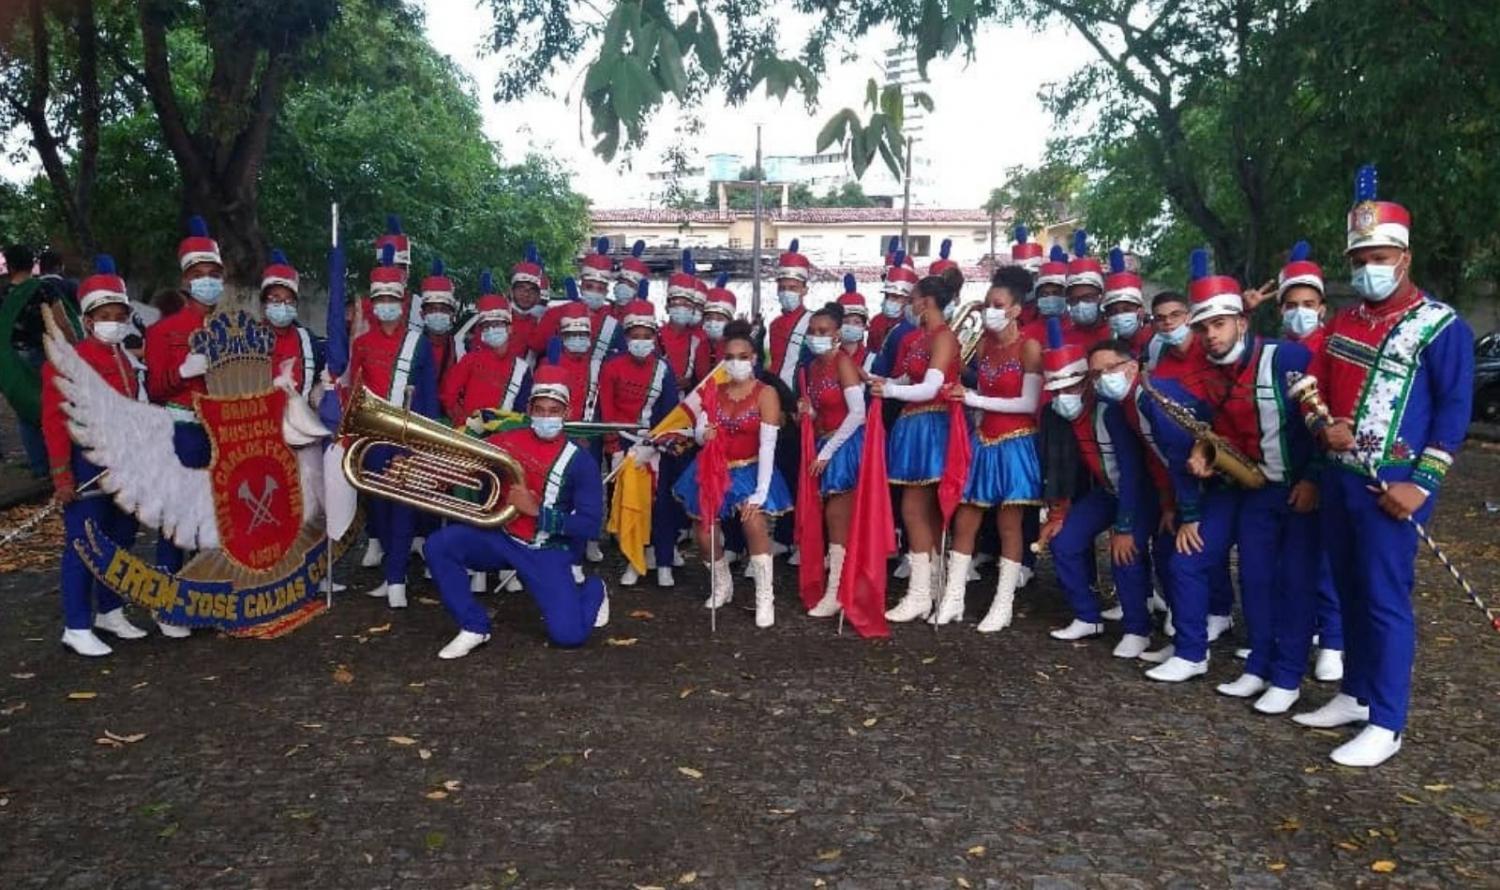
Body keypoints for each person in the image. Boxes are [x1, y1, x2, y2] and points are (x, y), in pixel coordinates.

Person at [1292, 165, 1473, 768]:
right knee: (1346, 589)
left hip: (1394, 486)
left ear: (1404, 257)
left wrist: (1421, 485)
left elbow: (1453, 412)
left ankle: (1388, 721)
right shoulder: (1344, 321)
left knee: (1384, 597)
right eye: (1359, 255)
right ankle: (1356, 693)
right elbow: (1309, 385)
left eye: (1380, 254)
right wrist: (1323, 425)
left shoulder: (1441, 326)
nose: (1368, 265)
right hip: (1342, 477)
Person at [1152, 252, 1320, 696]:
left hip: (1298, 487)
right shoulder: (1203, 375)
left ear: (1241, 322)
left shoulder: (1286, 357)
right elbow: (1212, 430)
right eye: (1203, 327)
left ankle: (1286, 677)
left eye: (1219, 324)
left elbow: (1325, 421)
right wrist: (1203, 453)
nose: (1211, 335)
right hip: (1247, 489)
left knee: (1295, 581)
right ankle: (1254, 665)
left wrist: (1313, 479)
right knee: (1255, 577)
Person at [423, 365, 608, 659]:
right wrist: (434, 475)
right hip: (502, 538)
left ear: (567, 412)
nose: (546, 417)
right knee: (439, 545)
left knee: (569, 637)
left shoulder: (581, 461)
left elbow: (589, 525)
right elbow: (468, 467)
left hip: (546, 549)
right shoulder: (507, 440)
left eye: (554, 410)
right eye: (540, 409)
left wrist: (538, 511)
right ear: (529, 409)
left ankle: (594, 589)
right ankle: (474, 625)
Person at [41, 256, 154, 656]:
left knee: (119, 541)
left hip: (124, 468)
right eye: (105, 315)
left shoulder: (127, 360)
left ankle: (110, 609)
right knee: (82, 544)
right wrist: (61, 476)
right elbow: (55, 423)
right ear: (89, 321)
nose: (114, 322)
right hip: (86, 466)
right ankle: (76, 624)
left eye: (119, 315)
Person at [932, 268, 1042, 631]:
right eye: (986, 304)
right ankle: (953, 598)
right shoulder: (983, 345)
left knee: (1009, 525)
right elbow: (979, 395)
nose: (989, 311)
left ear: (1014, 309)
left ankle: (1003, 603)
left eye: (997, 305)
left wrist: (976, 398)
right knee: (966, 519)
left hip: (1015, 442)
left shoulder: (1029, 347)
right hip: (984, 439)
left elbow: (1028, 403)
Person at [1036, 339, 1159, 650]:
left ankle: (1137, 630)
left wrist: (1125, 525)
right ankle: (1087, 616)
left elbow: (1132, 472)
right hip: (1105, 492)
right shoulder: (1055, 416)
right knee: (1065, 541)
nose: (1064, 397)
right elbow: (1058, 469)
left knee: (1125, 552)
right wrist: (1058, 512)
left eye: (1072, 388)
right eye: (1057, 391)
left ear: (1087, 384)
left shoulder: (1111, 413)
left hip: (1140, 493)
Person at [671, 320, 792, 627]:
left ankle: (765, 597)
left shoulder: (766, 394)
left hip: (750, 467)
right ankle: (722, 583)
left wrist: (761, 492)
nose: (735, 362)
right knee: (704, 531)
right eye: (729, 356)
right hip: (714, 468)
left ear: (754, 358)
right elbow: (699, 430)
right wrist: (703, 435)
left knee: (753, 522)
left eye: (742, 356)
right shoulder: (714, 390)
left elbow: (768, 446)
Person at [141, 217, 228, 639]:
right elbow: (156, 387)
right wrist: (183, 370)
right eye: (199, 275)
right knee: (177, 520)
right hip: (184, 432)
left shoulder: (231, 327)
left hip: (223, 433)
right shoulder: (163, 331)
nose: (207, 282)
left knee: (213, 520)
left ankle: (205, 598)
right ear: (185, 279)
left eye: (214, 275)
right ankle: (167, 605)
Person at [349, 245, 439, 609]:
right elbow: (354, 389)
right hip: (372, 439)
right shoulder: (363, 342)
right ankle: (390, 573)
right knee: (378, 507)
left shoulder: (418, 343)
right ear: (373, 302)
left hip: (407, 436)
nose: (387, 303)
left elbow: (430, 396)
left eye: (393, 297)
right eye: (381, 298)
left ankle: (398, 578)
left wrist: (425, 441)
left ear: (403, 302)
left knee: (403, 506)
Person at [872, 267, 963, 623]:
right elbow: (910, 378)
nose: (908, 306)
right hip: (914, 425)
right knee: (920, 510)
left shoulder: (943, 337)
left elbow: (931, 387)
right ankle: (931, 587)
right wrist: (884, 381)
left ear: (924, 302)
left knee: (914, 509)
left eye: (911, 300)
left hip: (931, 424)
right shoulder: (919, 338)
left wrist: (891, 390)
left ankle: (921, 593)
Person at [598, 299, 681, 586]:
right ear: (626, 337)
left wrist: (656, 443)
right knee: (629, 503)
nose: (641, 342)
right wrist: (615, 448)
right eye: (636, 336)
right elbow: (606, 410)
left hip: (656, 444)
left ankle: (665, 561)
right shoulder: (611, 367)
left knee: (662, 505)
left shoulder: (664, 369)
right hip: (623, 443)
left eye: (647, 337)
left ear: (655, 338)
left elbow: (672, 412)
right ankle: (635, 559)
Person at [800, 304, 867, 618]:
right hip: (825, 440)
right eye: (812, 331)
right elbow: (821, 412)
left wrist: (827, 453)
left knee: (838, 518)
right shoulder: (813, 366)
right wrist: (807, 412)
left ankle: (837, 591)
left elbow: (857, 413)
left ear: (838, 334)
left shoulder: (843, 362)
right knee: (831, 518)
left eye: (823, 331)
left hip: (845, 446)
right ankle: (837, 587)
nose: (817, 337)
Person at [441, 286, 532, 426]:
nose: (491, 330)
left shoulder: (522, 369)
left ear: (509, 328)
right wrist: (464, 422)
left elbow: (522, 413)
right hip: (467, 433)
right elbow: (448, 396)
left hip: (504, 436)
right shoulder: (470, 360)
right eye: (486, 326)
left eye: (496, 325)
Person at [260, 249, 325, 401]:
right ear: (264, 304)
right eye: (275, 299)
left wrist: (320, 388)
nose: (283, 305)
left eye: (289, 300)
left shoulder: (308, 340)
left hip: (298, 420)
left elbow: (323, 374)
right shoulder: (249, 337)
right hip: (261, 422)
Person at [767, 240, 812, 389]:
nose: (786, 293)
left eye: (793, 288)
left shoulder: (813, 322)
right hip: (775, 390)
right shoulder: (774, 324)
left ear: (804, 290)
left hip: (801, 393)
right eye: (782, 288)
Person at [661, 264, 711, 394]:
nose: (681, 308)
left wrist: (689, 383)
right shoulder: (654, 336)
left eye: (687, 304)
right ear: (667, 307)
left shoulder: (698, 342)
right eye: (676, 303)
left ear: (692, 310)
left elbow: (703, 381)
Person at [418, 259, 459, 404]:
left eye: (443, 309)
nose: (438, 313)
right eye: (432, 309)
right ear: (422, 314)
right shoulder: (412, 345)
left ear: (452, 315)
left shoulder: (459, 348)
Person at [1062, 231, 1110, 350]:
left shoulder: (1114, 334)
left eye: (1088, 297)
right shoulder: (1063, 338)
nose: (1081, 304)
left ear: (1101, 296)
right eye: (1074, 300)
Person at [1101, 248, 1153, 357]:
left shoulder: (1157, 339)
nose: (1120, 316)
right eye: (1114, 312)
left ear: (1141, 310)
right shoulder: (1110, 345)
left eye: (1126, 309)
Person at [834, 277, 877, 372]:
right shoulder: (830, 359)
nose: (851, 326)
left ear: (864, 326)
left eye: (857, 322)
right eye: (845, 322)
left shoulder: (874, 361)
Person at [702, 276, 735, 364]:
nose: (713, 323)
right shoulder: (698, 346)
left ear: (730, 322)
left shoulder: (738, 347)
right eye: (708, 318)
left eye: (720, 319)